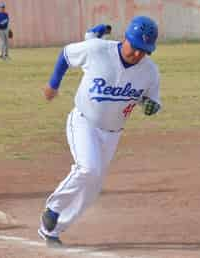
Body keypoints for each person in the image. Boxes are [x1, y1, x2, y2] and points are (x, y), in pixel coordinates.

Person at [38, 16, 161, 247]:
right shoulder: (98, 51)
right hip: (84, 121)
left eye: (144, 51)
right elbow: (65, 54)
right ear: (125, 38)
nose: (138, 55)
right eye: (135, 47)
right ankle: (54, 208)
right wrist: (53, 85)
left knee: (92, 189)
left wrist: (153, 106)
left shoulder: (150, 71)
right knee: (88, 168)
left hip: (113, 132)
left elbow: (151, 99)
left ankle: (51, 230)